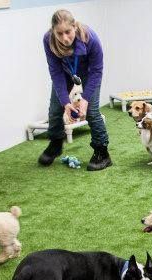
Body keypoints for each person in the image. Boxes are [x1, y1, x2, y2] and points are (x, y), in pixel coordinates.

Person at [38, 9, 110, 171]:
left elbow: (97, 71)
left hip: (90, 73)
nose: (64, 38)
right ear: (53, 32)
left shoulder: (90, 38)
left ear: (74, 27)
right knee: (55, 108)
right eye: (59, 33)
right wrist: (65, 102)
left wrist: (84, 100)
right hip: (64, 72)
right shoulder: (48, 40)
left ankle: (102, 152)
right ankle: (56, 143)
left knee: (91, 111)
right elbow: (55, 72)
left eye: (68, 32)